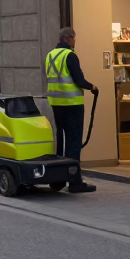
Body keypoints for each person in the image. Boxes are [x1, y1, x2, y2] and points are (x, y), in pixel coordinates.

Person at [46, 27, 99, 193]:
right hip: (72, 104)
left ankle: (59, 178)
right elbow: (78, 79)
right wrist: (92, 87)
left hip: (56, 104)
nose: (75, 42)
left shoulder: (50, 55)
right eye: (74, 39)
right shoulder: (70, 55)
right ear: (69, 39)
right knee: (74, 143)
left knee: (61, 141)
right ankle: (75, 182)